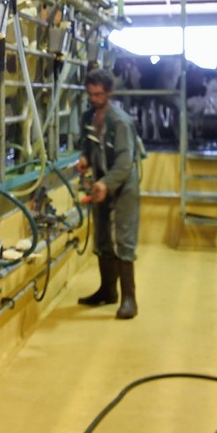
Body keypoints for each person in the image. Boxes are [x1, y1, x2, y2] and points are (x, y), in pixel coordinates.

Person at [75, 66, 141, 319]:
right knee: (102, 235)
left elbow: (124, 162)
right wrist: (85, 160)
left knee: (124, 237)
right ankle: (107, 290)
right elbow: (88, 146)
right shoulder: (87, 117)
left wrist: (106, 183)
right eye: (90, 94)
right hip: (102, 180)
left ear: (109, 93)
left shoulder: (120, 122)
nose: (94, 99)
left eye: (99, 95)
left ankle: (129, 299)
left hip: (123, 182)